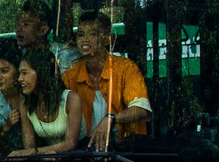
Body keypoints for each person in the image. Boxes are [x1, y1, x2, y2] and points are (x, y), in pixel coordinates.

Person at [61, 16, 152, 148]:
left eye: (93, 34)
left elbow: (142, 110)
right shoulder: (71, 76)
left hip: (124, 156)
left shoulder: (125, 68)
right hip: (84, 157)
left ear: (106, 38)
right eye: (81, 35)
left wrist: (111, 118)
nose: (85, 39)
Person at [13, 55, 85, 156]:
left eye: (24, 73)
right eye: (19, 74)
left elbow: (70, 144)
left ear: (41, 73)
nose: (20, 78)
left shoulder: (71, 99)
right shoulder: (25, 105)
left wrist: (37, 152)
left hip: (78, 160)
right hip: (48, 161)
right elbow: (29, 147)